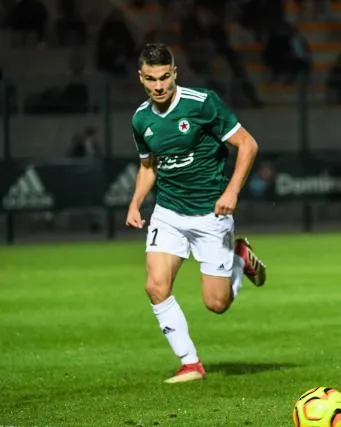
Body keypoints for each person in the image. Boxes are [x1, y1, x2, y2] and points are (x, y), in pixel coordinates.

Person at [126, 43, 267, 384]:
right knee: (155, 286)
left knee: (216, 304)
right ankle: (190, 364)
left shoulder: (202, 103)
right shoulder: (141, 118)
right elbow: (148, 166)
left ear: (174, 73)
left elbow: (248, 145)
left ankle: (238, 258)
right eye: (151, 79)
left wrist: (232, 191)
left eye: (164, 77)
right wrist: (135, 202)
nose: (159, 86)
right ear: (141, 78)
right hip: (168, 213)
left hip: (210, 215)